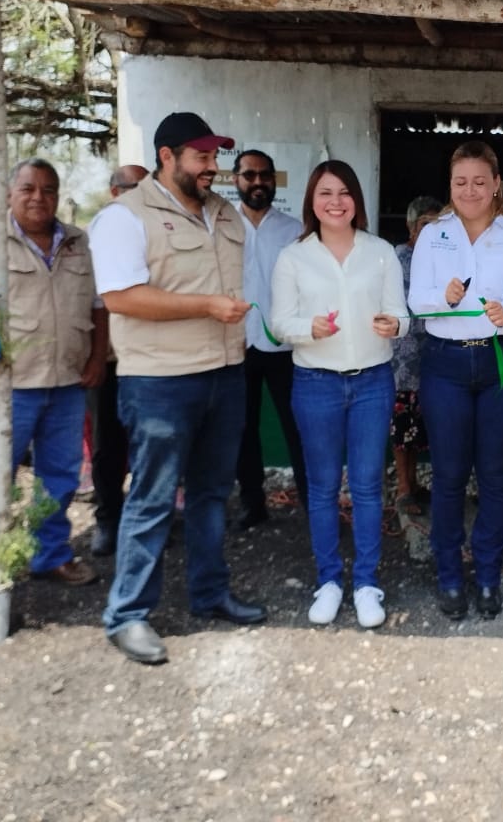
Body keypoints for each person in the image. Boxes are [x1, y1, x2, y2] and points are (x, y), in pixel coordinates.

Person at [89, 112, 268, 666]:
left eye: (215, 158)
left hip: (225, 371)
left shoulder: (224, 215)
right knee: (151, 496)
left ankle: (209, 593)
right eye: (202, 157)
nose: (212, 167)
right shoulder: (125, 217)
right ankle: (127, 614)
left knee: (213, 493)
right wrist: (206, 307)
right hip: (160, 382)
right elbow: (121, 297)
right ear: (168, 156)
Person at [0, 157, 105, 586]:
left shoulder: (76, 242)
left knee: (61, 478)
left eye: (48, 190)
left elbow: (97, 306)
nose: (39, 198)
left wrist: (95, 358)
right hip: (8, 387)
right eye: (28, 189)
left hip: (68, 384)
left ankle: (50, 555)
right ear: (10, 195)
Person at [269, 160, 408, 628]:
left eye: (344, 192)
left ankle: (367, 582)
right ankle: (328, 580)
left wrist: (395, 324)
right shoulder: (294, 257)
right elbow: (277, 324)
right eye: (326, 192)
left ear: (357, 201)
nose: (335, 201)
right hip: (316, 383)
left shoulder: (381, 252)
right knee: (323, 488)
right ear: (312, 200)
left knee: (368, 487)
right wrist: (308, 328)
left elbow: (400, 315)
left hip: (372, 380)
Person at [408, 140, 503, 621]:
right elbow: (417, 303)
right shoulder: (434, 234)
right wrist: (441, 295)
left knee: (497, 477)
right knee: (447, 477)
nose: (470, 190)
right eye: (461, 181)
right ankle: (448, 574)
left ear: (496, 184)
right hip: (446, 364)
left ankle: (487, 575)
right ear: (450, 185)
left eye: (480, 181)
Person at [232, 148, 309, 530]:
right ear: (236, 180)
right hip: (237, 344)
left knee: (298, 426)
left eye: (265, 175)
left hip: (284, 346)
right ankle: (252, 503)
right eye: (250, 175)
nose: (258, 182)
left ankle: (313, 503)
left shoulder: (293, 230)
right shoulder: (224, 226)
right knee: (242, 428)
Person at [87, 164, 146, 557]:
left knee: (148, 444)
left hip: (148, 358)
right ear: (114, 192)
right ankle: (107, 519)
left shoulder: (154, 231)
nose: (142, 197)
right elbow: (97, 302)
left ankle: (145, 522)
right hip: (109, 358)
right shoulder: (101, 231)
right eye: (134, 189)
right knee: (108, 444)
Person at [391, 195, 443, 512]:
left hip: (434, 356)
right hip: (403, 358)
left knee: (422, 426)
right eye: (425, 224)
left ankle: (416, 484)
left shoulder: (442, 259)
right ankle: (404, 488)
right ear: (411, 227)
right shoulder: (399, 258)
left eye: (438, 225)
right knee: (403, 425)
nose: (431, 231)